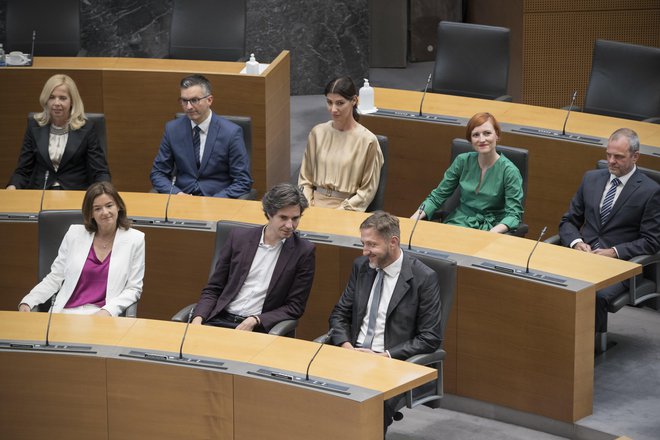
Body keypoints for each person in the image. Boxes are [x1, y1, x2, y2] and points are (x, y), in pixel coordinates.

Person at [328, 211, 442, 432]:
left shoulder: (424, 278)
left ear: (393, 242)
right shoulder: (362, 266)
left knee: (367, 414)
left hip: (389, 363)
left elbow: (430, 337)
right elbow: (339, 314)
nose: (365, 251)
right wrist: (346, 346)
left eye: (371, 244)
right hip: (350, 355)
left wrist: (384, 356)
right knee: (315, 398)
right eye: (363, 243)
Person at [559, 128, 660, 336]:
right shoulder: (591, 179)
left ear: (635, 156)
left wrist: (613, 252)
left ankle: (588, 351)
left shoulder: (650, 191)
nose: (611, 161)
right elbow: (568, 221)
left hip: (618, 266)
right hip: (582, 256)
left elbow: (651, 241)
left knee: (593, 294)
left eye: (619, 157)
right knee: (547, 280)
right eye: (608, 155)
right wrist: (576, 242)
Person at [191, 183, 315, 332]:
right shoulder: (238, 238)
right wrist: (198, 319)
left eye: (295, 218)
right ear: (269, 213)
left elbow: (295, 306)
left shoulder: (303, 251)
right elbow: (214, 288)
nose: (290, 225)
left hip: (258, 328)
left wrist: (256, 320)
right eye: (283, 218)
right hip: (220, 319)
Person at [18, 182, 145, 316]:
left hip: (102, 316)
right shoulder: (74, 234)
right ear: (90, 213)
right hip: (66, 313)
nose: (105, 212)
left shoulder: (135, 239)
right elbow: (55, 277)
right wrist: (29, 301)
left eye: (109, 205)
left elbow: (133, 289)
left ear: (118, 206)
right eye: (97, 208)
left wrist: (108, 310)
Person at [411, 112, 523, 233]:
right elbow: (437, 196)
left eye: (487, 133)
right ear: (470, 140)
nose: (482, 139)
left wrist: (491, 234)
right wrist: (413, 219)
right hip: (458, 223)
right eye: (475, 135)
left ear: (497, 135)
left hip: (492, 228)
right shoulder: (462, 161)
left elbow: (514, 215)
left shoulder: (510, 171)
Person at [150, 74, 253, 198]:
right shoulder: (173, 129)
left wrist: (214, 201)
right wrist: (177, 194)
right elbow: (158, 173)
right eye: (184, 101)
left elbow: (243, 181)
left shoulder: (231, 132)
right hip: (182, 201)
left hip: (216, 201)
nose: (188, 107)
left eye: (194, 100)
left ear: (209, 100)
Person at [6, 74, 110, 190]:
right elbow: (23, 169)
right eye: (51, 97)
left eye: (62, 98)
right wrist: (12, 186)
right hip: (41, 192)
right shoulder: (34, 126)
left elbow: (100, 171)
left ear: (72, 101)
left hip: (75, 194)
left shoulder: (87, 128)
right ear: (46, 100)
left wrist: (104, 192)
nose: (56, 103)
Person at [298, 76, 383, 211]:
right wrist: (308, 206)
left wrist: (341, 211)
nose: (333, 109)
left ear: (354, 100)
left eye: (340, 103)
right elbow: (305, 180)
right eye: (329, 102)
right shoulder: (317, 133)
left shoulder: (368, 141)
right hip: (312, 206)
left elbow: (367, 191)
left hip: (347, 208)